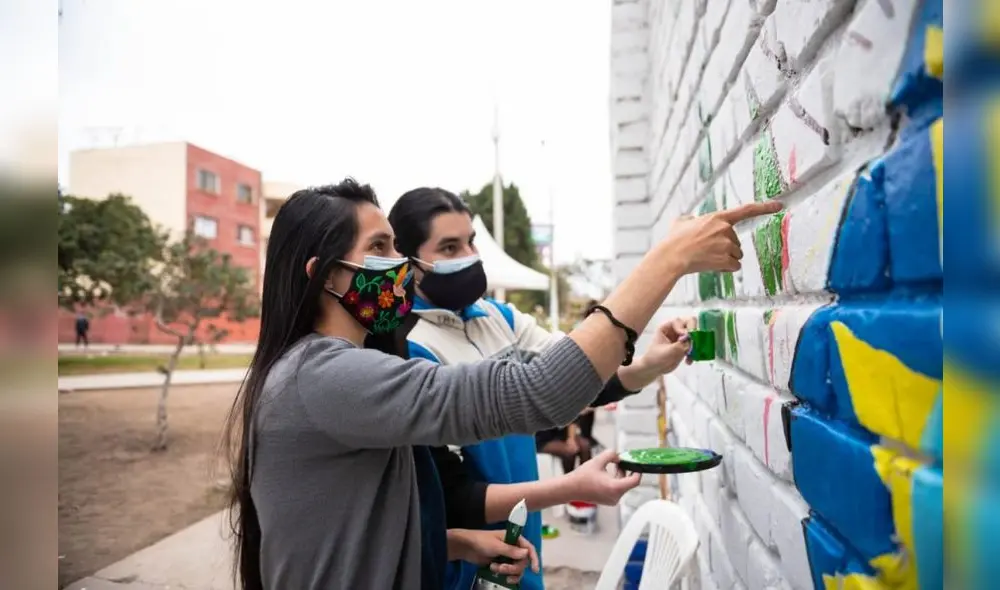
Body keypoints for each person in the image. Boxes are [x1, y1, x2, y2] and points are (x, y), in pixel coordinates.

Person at [222, 178, 778, 590]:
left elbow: (353, 532)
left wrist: (455, 543)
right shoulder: (328, 376)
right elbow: (543, 391)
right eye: (381, 249)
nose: (400, 267)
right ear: (324, 274)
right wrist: (668, 260)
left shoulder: (338, 367)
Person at [387, 187, 743, 590]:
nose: (469, 257)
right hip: (469, 567)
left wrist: (648, 365)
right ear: (407, 262)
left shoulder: (497, 317)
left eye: (471, 242)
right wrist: (569, 488)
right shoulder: (408, 350)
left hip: (526, 549)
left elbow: (574, 378)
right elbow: (453, 498)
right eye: (449, 248)